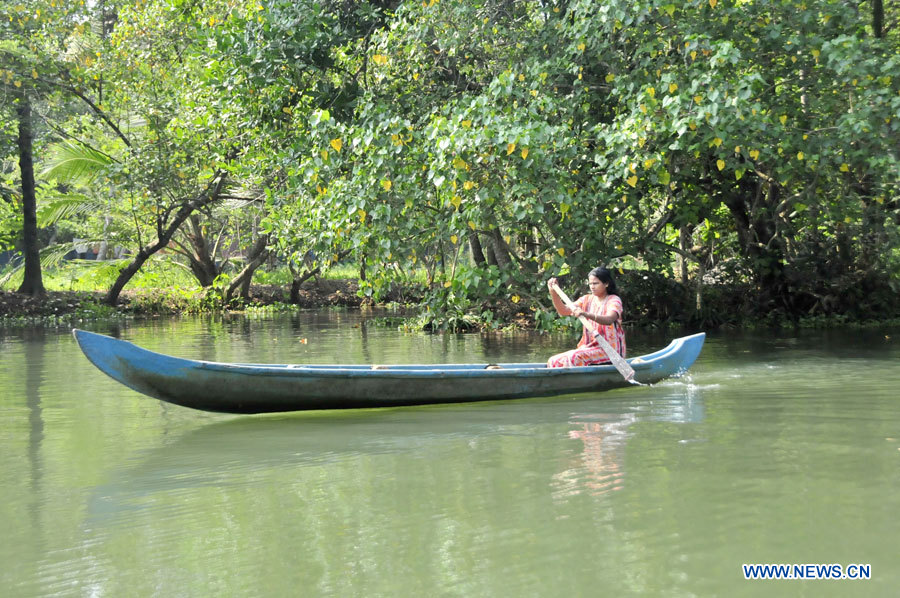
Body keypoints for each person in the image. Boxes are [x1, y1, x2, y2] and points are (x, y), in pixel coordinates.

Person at [546, 267, 626, 368]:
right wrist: (553, 293)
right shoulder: (586, 299)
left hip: (610, 351)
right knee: (553, 360)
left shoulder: (614, 300)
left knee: (574, 357)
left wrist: (586, 314)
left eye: (596, 283)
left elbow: (609, 319)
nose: (592, 287)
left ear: (606, 284)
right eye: (590, 284)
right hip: (588, 348)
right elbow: (563, 311)